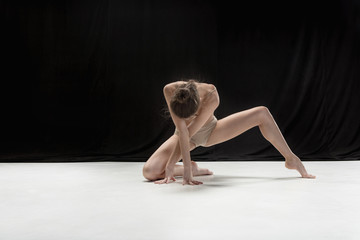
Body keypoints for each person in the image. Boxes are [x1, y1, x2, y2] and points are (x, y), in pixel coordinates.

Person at [143, 79, 316, 185]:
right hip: (183, 137)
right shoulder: (169, 90)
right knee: (149, 171)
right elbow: (182, 131)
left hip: (210, 131)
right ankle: (196, 168)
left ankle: (292, 159)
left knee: (262, 113)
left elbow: (189, 131)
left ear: (197, 105)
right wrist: (181, 168)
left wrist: (180, 166)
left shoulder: (211, 95)